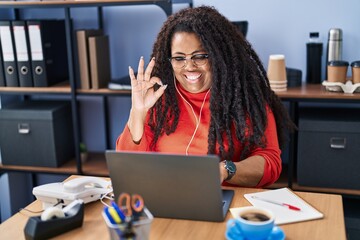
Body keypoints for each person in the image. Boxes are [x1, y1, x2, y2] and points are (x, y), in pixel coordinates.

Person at [116, 6, 294, 188]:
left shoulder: (244, 99)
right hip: (164, 195)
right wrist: (137, 112)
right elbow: (127, 167)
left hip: (223, 199)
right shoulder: (159, 98)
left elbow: (270, 163)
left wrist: (225, 170)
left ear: (218, 55)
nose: (189, 66)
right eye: (179, 58)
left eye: (200, 56)